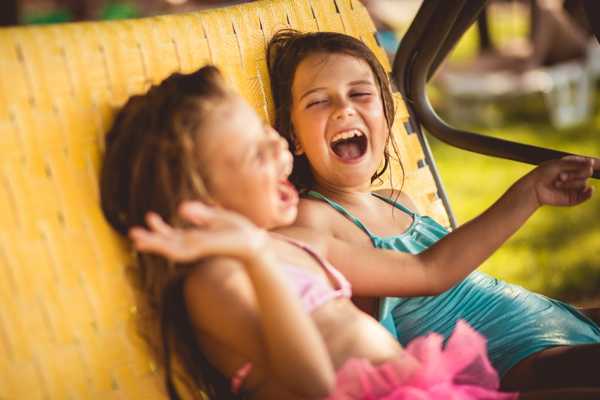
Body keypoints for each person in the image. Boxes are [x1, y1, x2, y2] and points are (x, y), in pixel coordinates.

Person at [99, 66, 598, 399]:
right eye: (256, 153)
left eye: (268, 135)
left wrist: (527, 194)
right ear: (202, 204)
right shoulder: (216, 281)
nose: (281, 152)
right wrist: (252, 255)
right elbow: (313, 389)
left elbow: (427, 269)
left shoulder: (296, 244)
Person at [266, 29, 600, 393]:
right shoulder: (314, 220)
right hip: (515, 361)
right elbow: (432, 272)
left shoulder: (398, 200)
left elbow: (470, 289)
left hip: (555, 324)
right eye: (318, 102)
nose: (344, 108)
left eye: (360, 94)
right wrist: (529, 193)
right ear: (294, 136)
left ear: (385, 113)